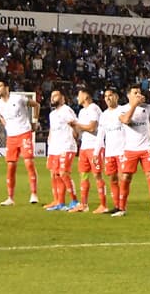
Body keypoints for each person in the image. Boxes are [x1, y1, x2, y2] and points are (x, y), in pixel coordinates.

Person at [119, 84, 150, 217]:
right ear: (128, 95)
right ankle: (122, 209)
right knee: (126, 177)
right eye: (135, 93)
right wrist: (134, 105)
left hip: (147, 148)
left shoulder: (148, 108)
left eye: (139, 93)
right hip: (130, 149)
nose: (138, 95)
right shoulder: (122, 109)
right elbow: (126, 120)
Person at [0, 79, 39, 206]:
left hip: (24, 133)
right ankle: (10, 198)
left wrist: (35, 122)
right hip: (11, 137)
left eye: (0, 86)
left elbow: (36, 105)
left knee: (29, 163)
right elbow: (1, 116)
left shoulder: (18, 98)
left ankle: (34, 194)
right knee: (11, 166)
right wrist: (7, 126)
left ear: (6, 87)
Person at [43, 89, 79, 211]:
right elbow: (52, 130)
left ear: (63, 98)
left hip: (66, 146)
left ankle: (75, 201)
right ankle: (60, 202)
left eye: (56, 96)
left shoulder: (66, 110)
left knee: (63, 173)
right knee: (55, 174)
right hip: (55, 148)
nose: (52, 98)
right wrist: (50, 146)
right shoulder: (52, 114)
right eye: (51, 96)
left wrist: (76, 135)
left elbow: (74, 124)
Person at [70, 86, 103, 214]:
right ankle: (84, 205)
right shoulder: (82, 112)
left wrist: (77, 125)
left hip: (95, 146)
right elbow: (79, 132)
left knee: (97, 175)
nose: (77, 98)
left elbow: (92, 127)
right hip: (84, 147)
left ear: (86, 96)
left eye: (79, 95)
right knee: (83, 175)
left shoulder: (94, 108)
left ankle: (103, 205)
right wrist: (74, 128)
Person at [99, 87, 126, 214]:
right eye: (106, 96)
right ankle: (116, 205)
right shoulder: (103, 115)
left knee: (122, 179)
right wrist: (96, 152)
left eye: (110, 95)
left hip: (122, 151)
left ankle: (122, 207)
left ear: (116, 97)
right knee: (113, 179)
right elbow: (101, 134)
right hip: (109, 152)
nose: (108, 98)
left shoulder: (123, 110)